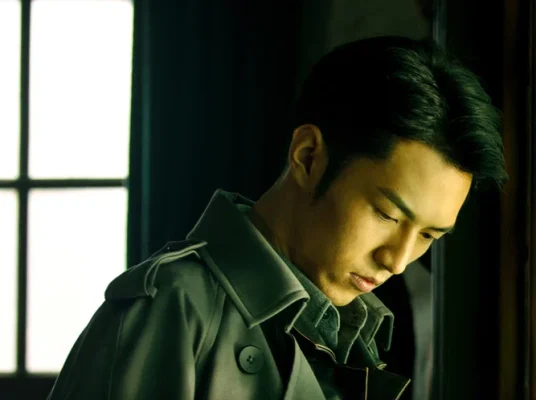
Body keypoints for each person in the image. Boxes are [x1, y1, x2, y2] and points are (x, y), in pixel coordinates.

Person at [47, 36, 507, 399]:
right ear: (308, 156)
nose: (398, 260)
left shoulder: (356, 333)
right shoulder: (171, 309)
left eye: (428, 235)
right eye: (387, 214)